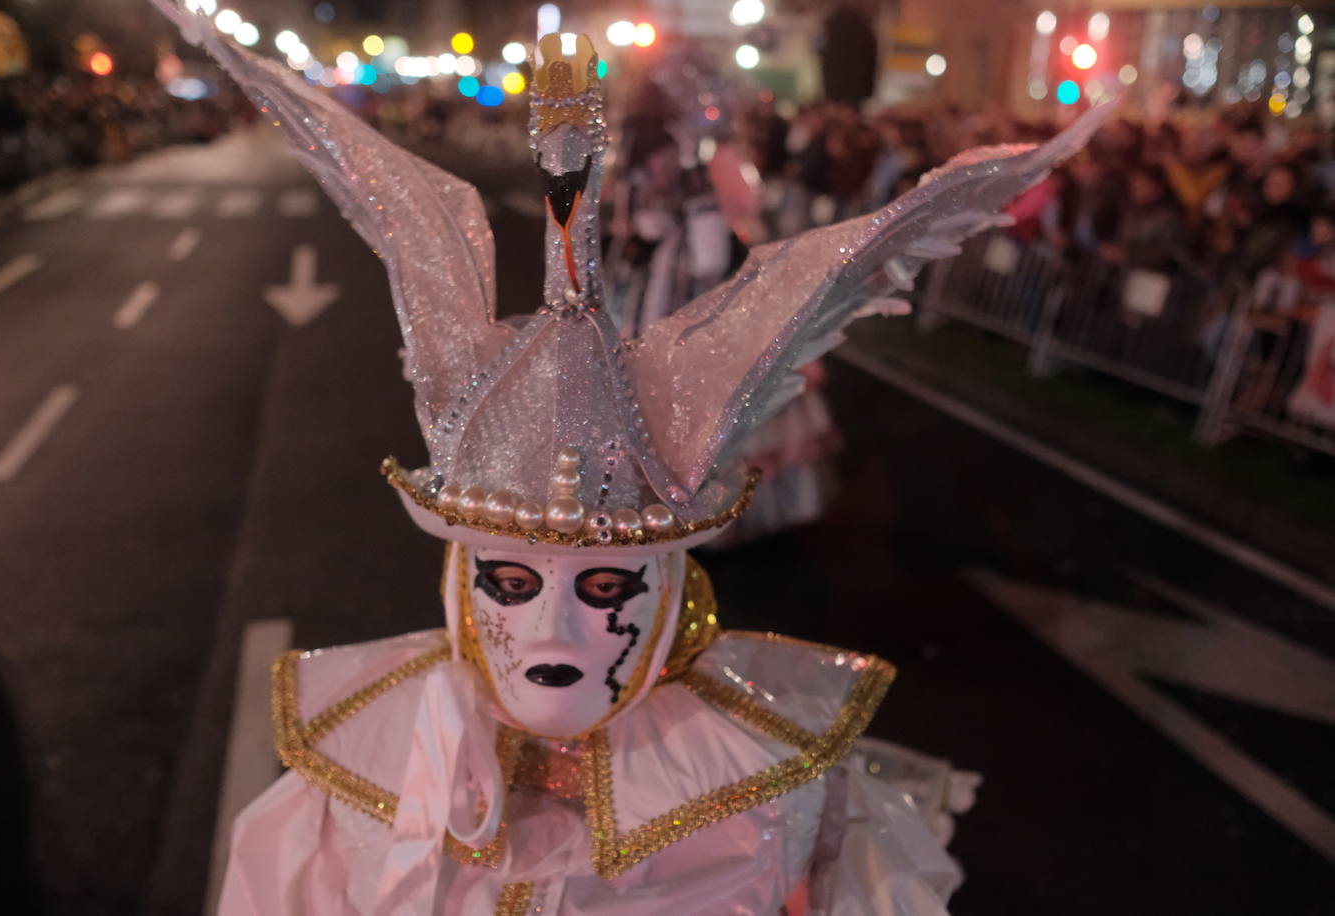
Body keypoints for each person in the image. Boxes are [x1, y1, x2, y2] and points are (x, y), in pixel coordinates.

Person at [151, 5, 1108, 912]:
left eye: (608, 583)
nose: (558, 628)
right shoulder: (347, 790)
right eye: (514, 579)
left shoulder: (787, 803)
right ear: (461, 577)